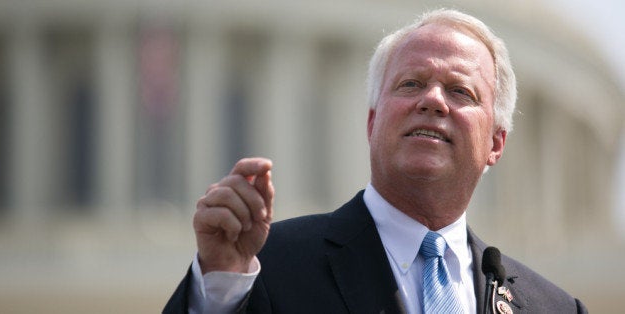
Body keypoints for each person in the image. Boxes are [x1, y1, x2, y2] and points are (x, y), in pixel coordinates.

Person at [165, 8, 587, 314]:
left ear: (497, 142)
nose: (432, 100)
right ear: (372, 122)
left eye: (460, 91)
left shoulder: (552, 308)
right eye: (411, 83)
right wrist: (220, 291)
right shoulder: (268, 267)